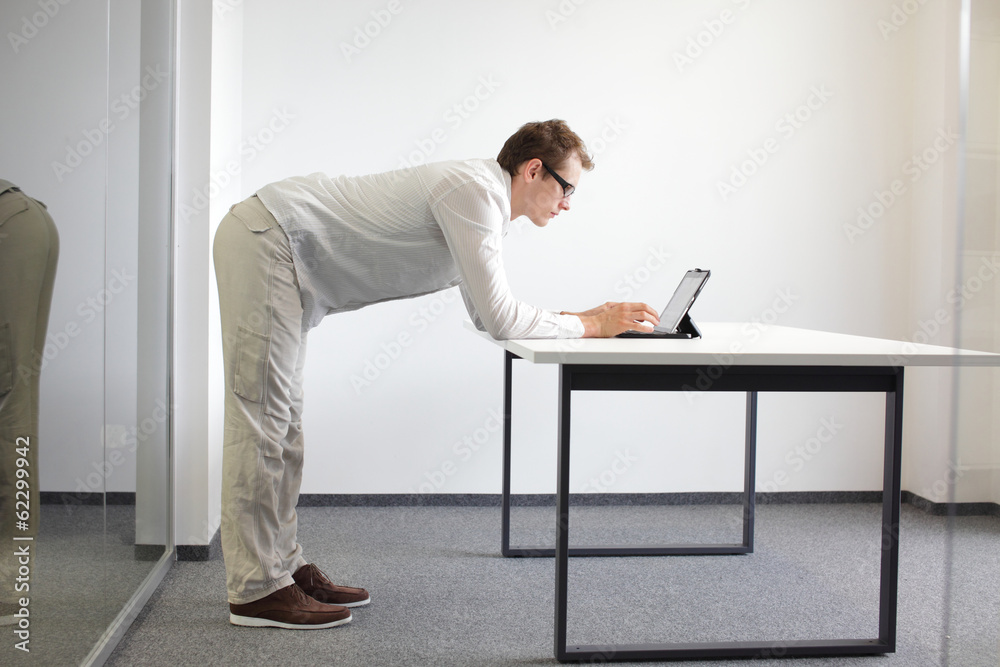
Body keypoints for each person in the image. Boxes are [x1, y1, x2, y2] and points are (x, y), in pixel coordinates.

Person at [213, 119, 660, 630]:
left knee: (284, 423)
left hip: (281, 247)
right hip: (269, 238)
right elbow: (499, 317)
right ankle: (256, 591)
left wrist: (583, 322)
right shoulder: (473, 192)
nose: (567, 204)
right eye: (567, 188)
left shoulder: (485, 209)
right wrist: (590, 324)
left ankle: (283, 568)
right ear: (534, 170)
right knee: (263, 420)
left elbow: (488, 313)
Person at [0, 180, 59, 626]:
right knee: (14, 406)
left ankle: (8, 584)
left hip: (8, 220)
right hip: (18, 216)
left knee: (11, 410)